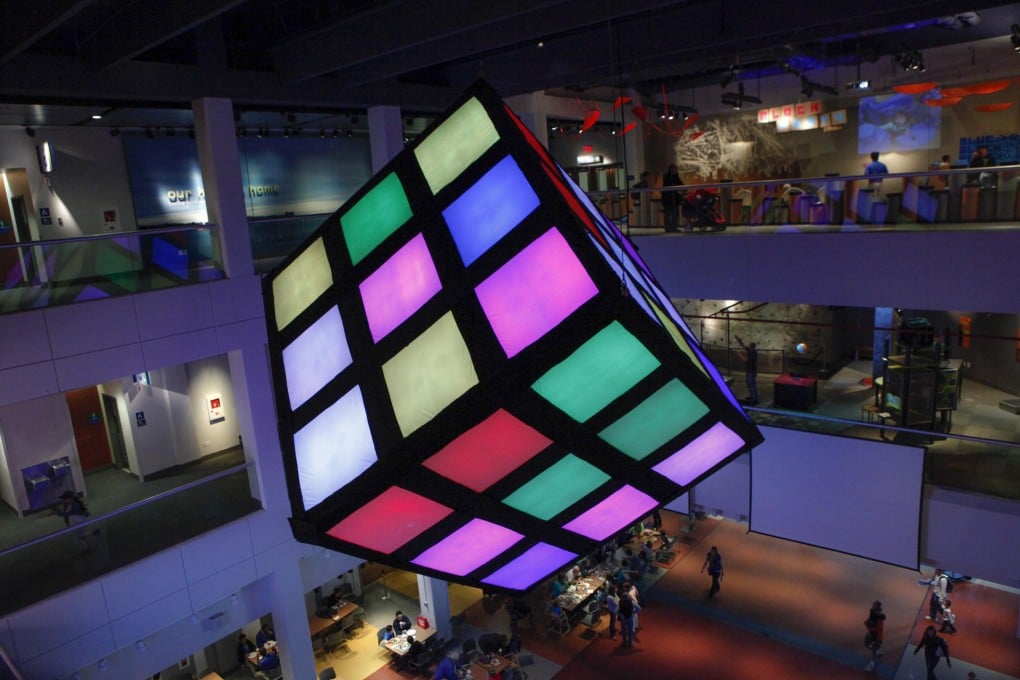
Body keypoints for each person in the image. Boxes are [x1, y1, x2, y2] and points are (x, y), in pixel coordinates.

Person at [734, 335, 758, 405]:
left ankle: (755, 399)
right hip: (748, 370)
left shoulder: (753, 353)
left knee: (752, 384)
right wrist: (739, 340)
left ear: (753, 347)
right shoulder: (750, 350)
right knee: (749, 384)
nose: (749, 348)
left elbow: (745, 360)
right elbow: (743, 346)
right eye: (749, 347)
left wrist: (740, 354)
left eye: (750, 347)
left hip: (751, 371)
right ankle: (752, 396)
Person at [863, 600, 885, 672]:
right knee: (866, 645)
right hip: (870, 633)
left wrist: (867, 625)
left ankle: (872, 664)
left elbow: (876, 630)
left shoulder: (879, 619)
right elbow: (869, 621)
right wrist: (867, 623)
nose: (872, 606)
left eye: (874, 605)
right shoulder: (873, 613)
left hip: (876, 637)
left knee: (873, 650)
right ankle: (877, 651)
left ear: (877, 607)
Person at [661, 163, 684, 232]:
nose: (676, 170)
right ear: (671, 169)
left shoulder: (675, 176)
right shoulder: (667, 177)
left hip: (674, 199)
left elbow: (680, 184)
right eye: (675, 169)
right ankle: (668, 228)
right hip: (668, 199)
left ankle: (674, 227)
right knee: (668, 214)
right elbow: (668, 187)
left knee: (675, 214)